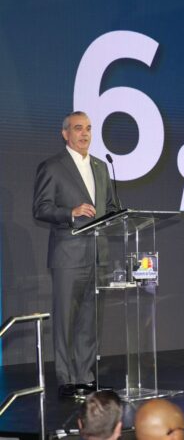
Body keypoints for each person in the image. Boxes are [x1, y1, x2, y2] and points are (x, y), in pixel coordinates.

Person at [33, 111, 118, 398]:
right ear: (65, 133)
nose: (85, 134)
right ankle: (66, 378)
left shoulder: (100, 167)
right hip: (67, 255)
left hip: (97, 254)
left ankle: (85, 376)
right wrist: (70, 212)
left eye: (89, 128)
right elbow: (41, 208)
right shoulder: (52, 166)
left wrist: (116, 215)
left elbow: (109, 206)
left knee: (90, 321)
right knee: (65, 321)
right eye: (78, 128)